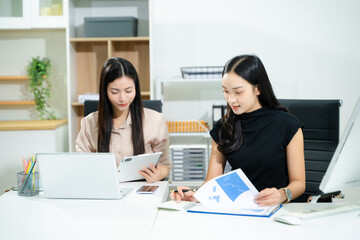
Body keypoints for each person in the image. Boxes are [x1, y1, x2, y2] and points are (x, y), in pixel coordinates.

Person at [170, 55, 305, 206]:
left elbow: (299, 183)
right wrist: (197, 196)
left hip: (278, 210)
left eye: (238, 92)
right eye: (226, 92)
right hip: (240, 211)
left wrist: (282, 194)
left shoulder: (288, 125)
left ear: (258, 89)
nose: (231, 100)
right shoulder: (223, 127)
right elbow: (211, 182)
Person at [76, 57, 171, 183]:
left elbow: (165, 165)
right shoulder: (89, 123)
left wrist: (158, 174)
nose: (122, 98)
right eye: (115, 92)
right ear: (105, 91)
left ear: (136, 89)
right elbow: (80, 165)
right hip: (103, 190)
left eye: (128, 91)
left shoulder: (155, 120)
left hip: (141, 191)